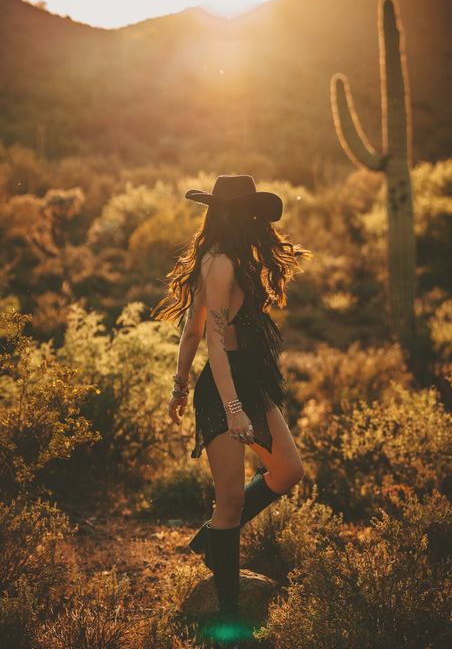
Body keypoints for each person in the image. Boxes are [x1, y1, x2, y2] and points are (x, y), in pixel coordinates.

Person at [152, 174, 310, 639]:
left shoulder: (228, 258)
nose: (259, 221)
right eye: (253, 213)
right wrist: (232, 406)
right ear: (237, 215)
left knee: (287, 471)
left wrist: (178, 386)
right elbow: (214, 344)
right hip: (227, 388)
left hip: (250, 381)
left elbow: (191, 328)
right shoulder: (219, 263)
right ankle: (227, 616)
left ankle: (209, 539)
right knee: (232, 500)